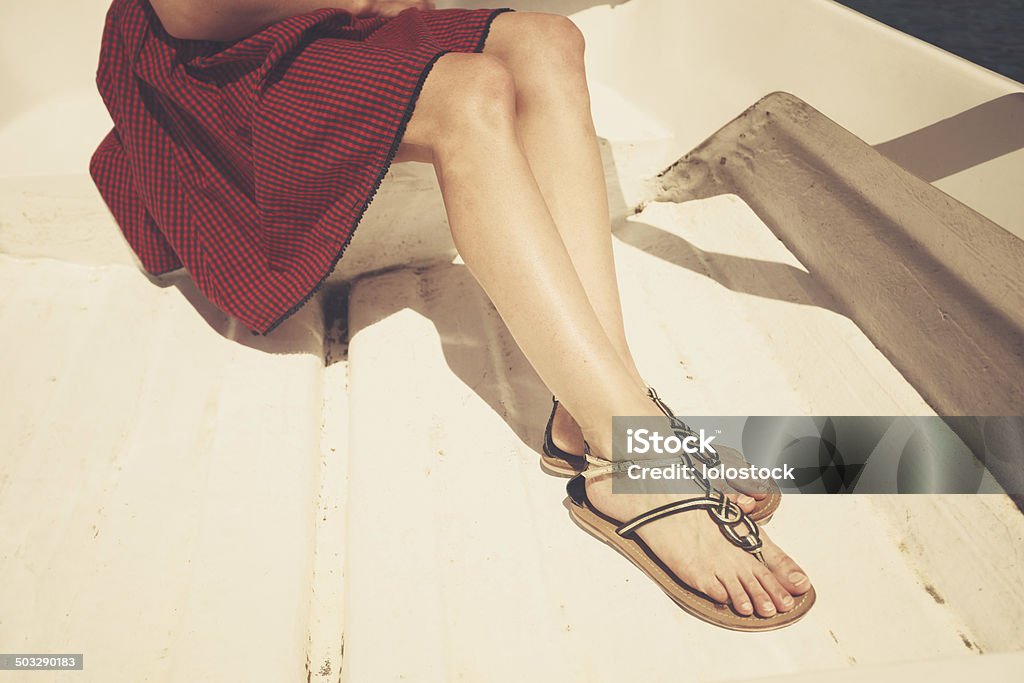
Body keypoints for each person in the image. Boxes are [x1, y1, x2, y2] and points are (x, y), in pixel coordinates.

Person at [90, 0, 814, 629]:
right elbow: (184, 11)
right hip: (212, 61)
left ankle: (591, 410)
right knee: (469, 96)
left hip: (329, 28)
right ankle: (629, 450)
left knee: (549, 41)